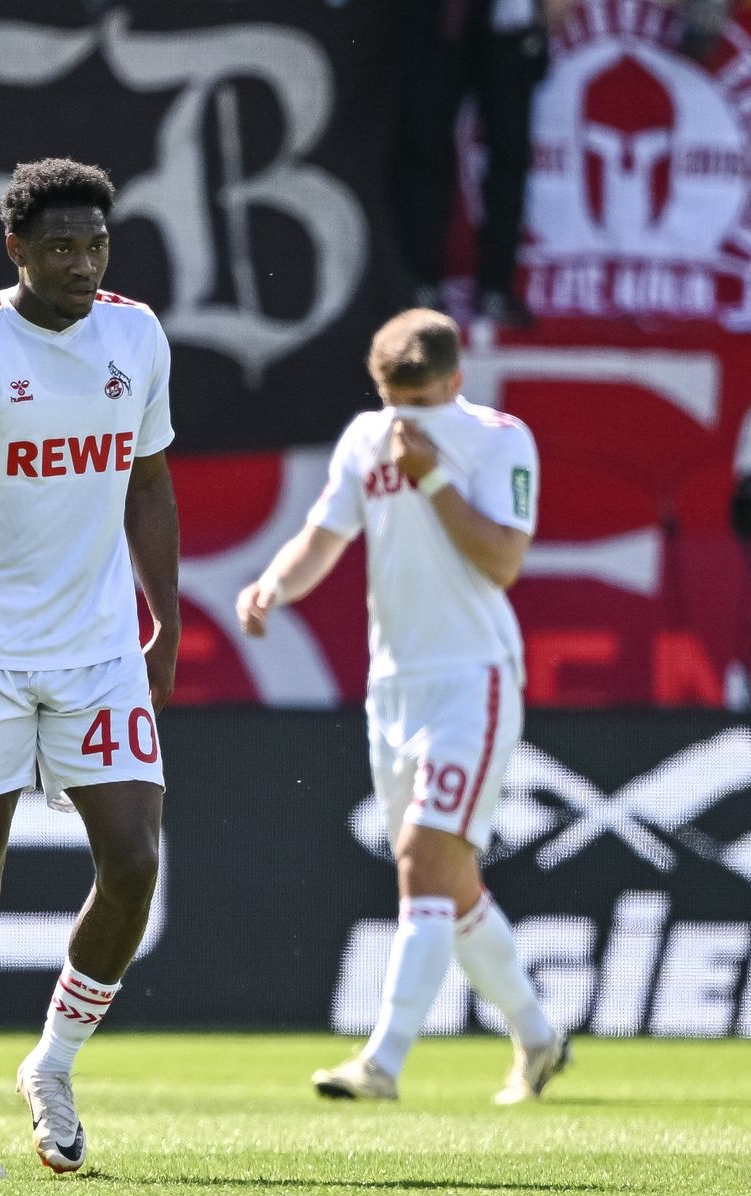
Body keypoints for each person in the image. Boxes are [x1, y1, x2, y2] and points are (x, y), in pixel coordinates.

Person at [0, 159, 180, 1179]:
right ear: (14, 249)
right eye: (60, 247)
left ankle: (49, 1064)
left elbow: (146, 480)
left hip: (98, 647)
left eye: (95, 246)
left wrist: (166, 616)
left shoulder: (135, 334)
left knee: (135, 862)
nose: (81, 265)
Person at [234, 308, 571, 1104]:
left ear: (456, 382)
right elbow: (323, 536)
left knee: (421, 862)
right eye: (392, 401)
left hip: (472, 678)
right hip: (394, 687)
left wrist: (435, 478)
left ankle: (383, 1061)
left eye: (419, 402)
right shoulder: (364, 438)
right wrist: (275, 584)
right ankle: (538, 1037)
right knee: (450, 883)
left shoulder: (498, 438)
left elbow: (503, 561)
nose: (404, 421)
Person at [391, 0, 573, 327]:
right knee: (423, 143)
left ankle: (496, 288)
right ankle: (421, 282)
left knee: (509, 150)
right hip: (440, 19)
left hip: (509, 18)